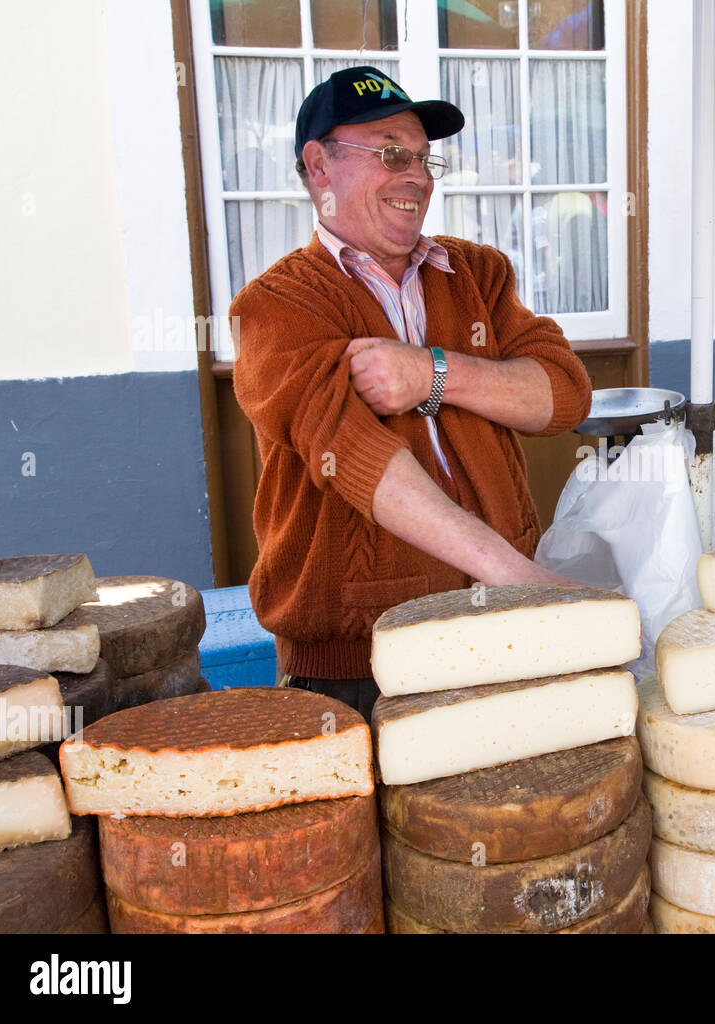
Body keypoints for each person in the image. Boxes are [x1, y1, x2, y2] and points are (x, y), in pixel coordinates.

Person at [232, 66, 591, 718]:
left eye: (426, 160)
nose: (418, 178)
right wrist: (520, 577)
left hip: (505, 632)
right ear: (319, 166)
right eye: (391, 153)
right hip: (358, 669)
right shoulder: (275, 308)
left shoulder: (476, 272)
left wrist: (434, 374)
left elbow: (562, 397)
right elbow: (358, 456)